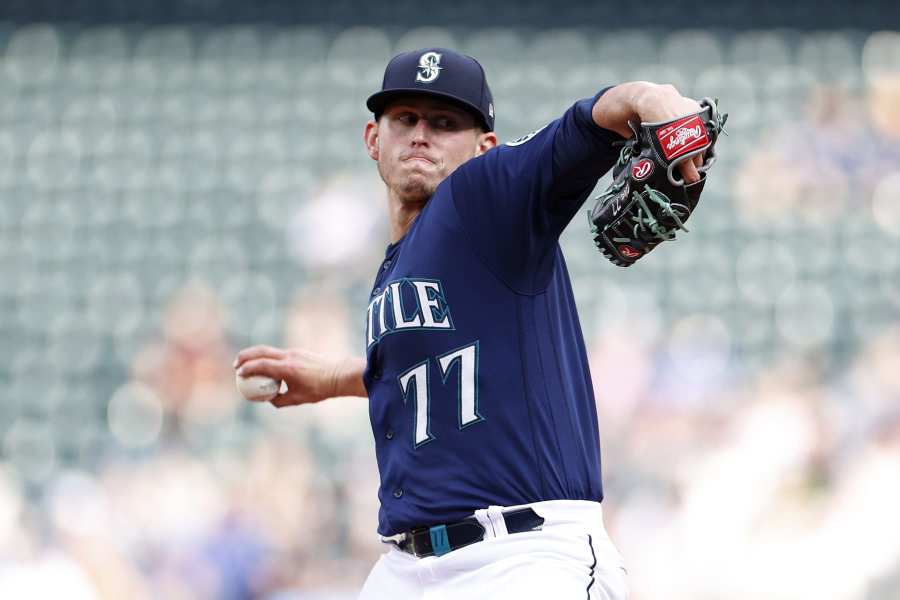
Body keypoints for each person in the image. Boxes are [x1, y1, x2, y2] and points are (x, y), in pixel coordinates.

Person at [234, 47, 706, 599]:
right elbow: (443, 372)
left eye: (444, 123)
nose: (420, 135)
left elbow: (586, 124)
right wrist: (340, 378)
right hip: (405, 568)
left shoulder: (485, 195)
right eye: (404, 119)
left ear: (484, 147)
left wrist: (654, 100)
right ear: (373, 139)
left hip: (522, 560)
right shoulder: (397, 264)